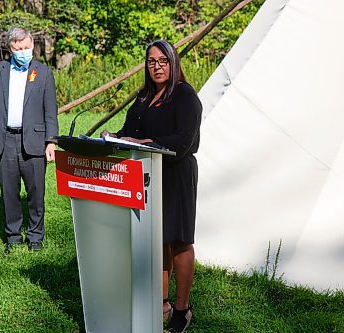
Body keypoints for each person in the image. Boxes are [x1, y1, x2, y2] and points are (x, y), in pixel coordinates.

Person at [101, 40, 202, 333]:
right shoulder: (144, 96)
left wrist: (145, 143)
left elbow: (182, 140)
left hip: (176, 174)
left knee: (179, 240)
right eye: (151, 61)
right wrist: (115, 137)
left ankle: (182, 310)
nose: (157, 67)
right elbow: (131, 133)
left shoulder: (185, 96)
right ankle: (161, 302)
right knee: (158, 238)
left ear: (173, 63)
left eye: (163, 61)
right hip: (146, 174)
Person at [0, 27, 58, 254]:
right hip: (5, 140)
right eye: (17, 49)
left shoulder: (43, 73)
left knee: (36, 192)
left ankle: (35, 236)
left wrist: (51, 141)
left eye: (25, 47)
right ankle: (13, 237)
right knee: (9, 192)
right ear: (10, 49)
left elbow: (50, 111)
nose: (22, 52)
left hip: (33, 141)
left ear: (32, 45)